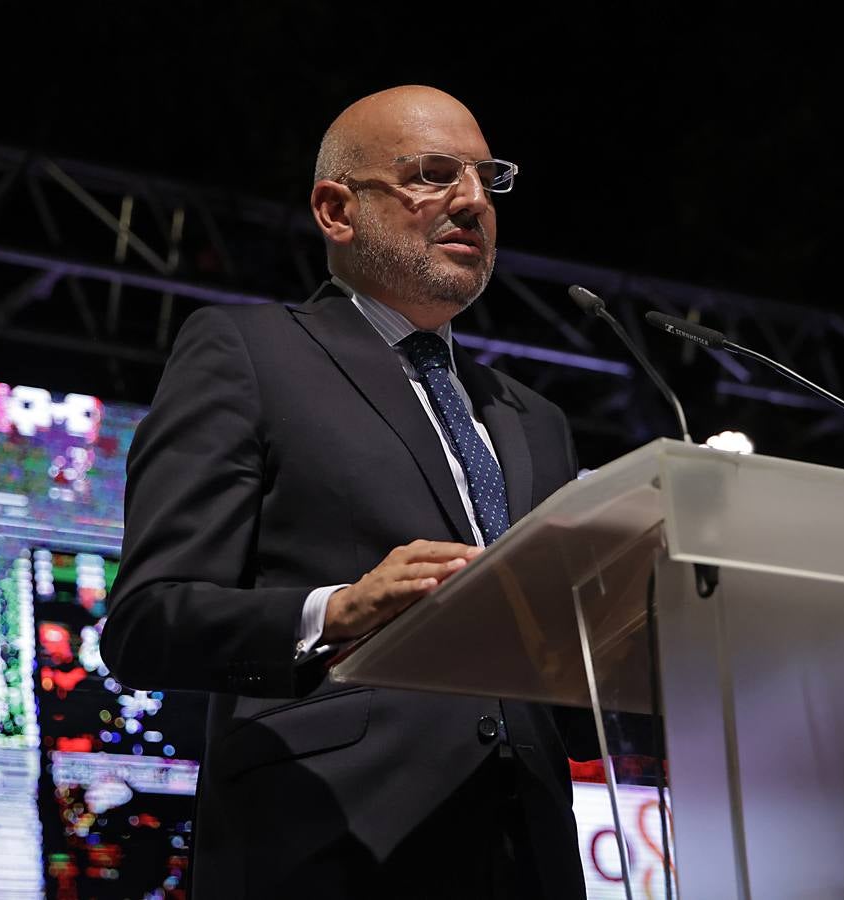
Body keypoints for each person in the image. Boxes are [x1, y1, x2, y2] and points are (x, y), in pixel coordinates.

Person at [100, 85, 593, 899]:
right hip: (332, 842)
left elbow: (552, 679)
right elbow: (149, 621)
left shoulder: (532, 418)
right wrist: (337, 611)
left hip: (528, 853)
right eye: (433, 174)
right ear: (336, 209)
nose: (472, 201)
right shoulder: (249, 353)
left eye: (486, 178)